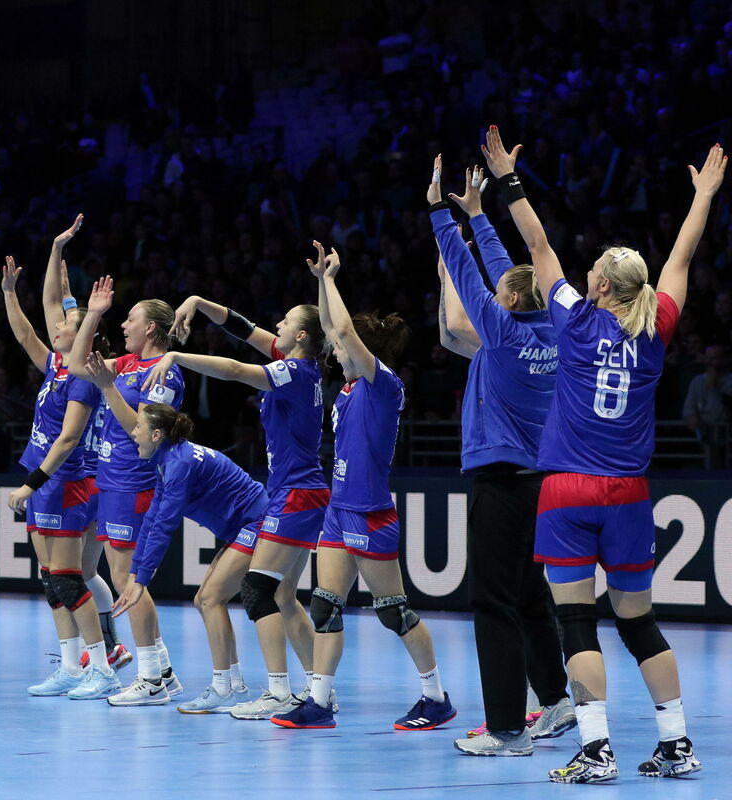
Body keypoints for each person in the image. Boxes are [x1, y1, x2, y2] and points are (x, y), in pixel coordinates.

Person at [483, 127, 722, 782]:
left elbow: (538, 246)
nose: (583, 273)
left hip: (568, 490)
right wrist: (704, 196)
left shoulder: (575, 318)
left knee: (575, 621)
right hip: (629, 495)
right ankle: (676, 744)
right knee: (639, 623)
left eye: (592, 271)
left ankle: (596, 750)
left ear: (603, 288)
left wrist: (508, 181)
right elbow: (681, 259)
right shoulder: (656, 327)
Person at [272, 243, 456, 731]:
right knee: (325, 606)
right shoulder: (350, 387)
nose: (333, 350)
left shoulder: (383, 384)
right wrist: (320, 280)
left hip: (371, 515)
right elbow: (332, 328)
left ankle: (435, 697)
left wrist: (333, 280)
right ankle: (318, 703)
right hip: (339, 512)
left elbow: (344, 332)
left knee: (394, 613)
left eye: (341, 347)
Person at [427, 157, 575, 755]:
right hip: (546, 484)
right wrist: (478, 215)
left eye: (501, 291)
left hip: (504, 482)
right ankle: (557, 700)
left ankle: (508, 729)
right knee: (530, 596)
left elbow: (466, 274)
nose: (493, 293)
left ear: (509, 299)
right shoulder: (558, 333)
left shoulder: (504, 334)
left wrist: (441, 214)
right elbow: (497, 268)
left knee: (492, 603)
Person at [151, 291, 328, 716]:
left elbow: (233, 369)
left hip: (295, 494)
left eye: (286, 321)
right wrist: (198, 302)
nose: (278, 325)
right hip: (302, 493)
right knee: (284, 595)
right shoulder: (297, 364)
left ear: (302, 336)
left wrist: (176, 357)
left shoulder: (294, 370)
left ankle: (278, 691)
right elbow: (243, 329)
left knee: (257, 589)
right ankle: (320, 688)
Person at [1, 216, 120, 701]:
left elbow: (69, 439)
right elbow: (35, 321)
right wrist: (22, 281)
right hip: (47, 480)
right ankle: (71, 666)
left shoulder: (84, 377)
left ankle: (102, 667)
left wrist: (30, 483)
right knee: (52, 579)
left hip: (65, 480)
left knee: (69, 578)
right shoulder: (56, 364)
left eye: (68, 324)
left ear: (84, 334)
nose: (57, 325)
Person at [93, 396, 265, 713]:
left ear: (156, 434)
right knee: (206, 600)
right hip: (244, 526)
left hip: (260, 523)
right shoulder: (168, 459)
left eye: (139, 427)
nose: (133, 433)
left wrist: (142, 581)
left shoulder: (178, 464)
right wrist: (135, 575)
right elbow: (152, 520)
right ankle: (235, 684)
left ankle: (222, 688)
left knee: (210, 599)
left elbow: (165, 526)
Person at [68, 276, 185, 705]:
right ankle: (163, 672)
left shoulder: (164, 371)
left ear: (151, 327)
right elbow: (76, 365)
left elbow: (142, 428)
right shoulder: (130, 363)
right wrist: (94, 313)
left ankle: (151, 677)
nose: (123, 325)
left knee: (128, 580)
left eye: (130, 318)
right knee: (123, 578)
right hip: (111, 479)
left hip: (135, 482)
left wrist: (106, 386)